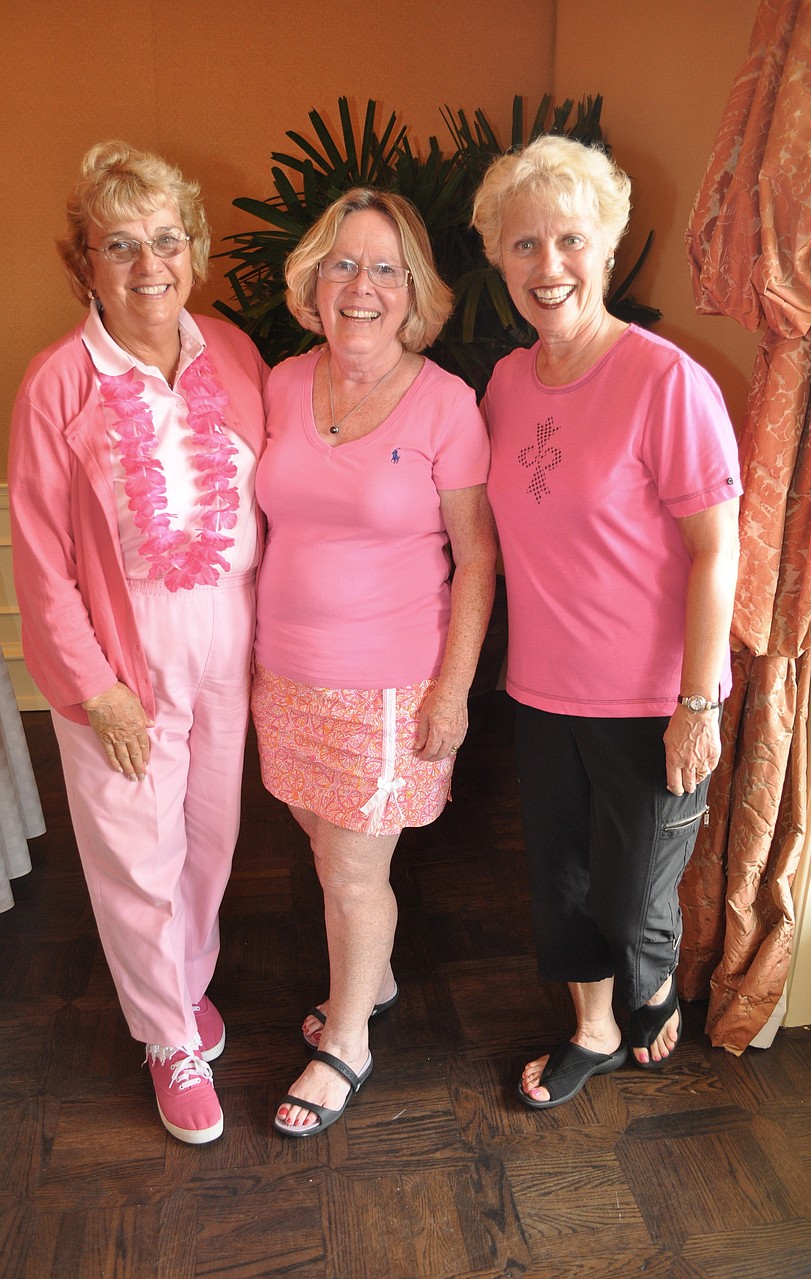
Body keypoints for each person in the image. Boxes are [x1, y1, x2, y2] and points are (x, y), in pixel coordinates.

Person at [471, 136, 741, 1108]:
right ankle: (590, 1025)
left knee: (633, 899)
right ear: (497, 258)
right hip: (540, 689)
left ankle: (654, 981)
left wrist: (698, 701)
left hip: (651, 695)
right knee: (562, 883)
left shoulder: (667, 382)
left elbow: (717, 550)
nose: (549, 267)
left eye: (571, 239)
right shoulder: (503, 384)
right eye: (524, 245)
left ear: (608, 244)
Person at [9, 141, 267, 1144]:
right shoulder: (57, 385)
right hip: (122, 657)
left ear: (194, 251)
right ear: (86, 266)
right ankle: (166, 1036)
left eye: (166, 239)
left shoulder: (232, 353)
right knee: (133, 852)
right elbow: (38, 556)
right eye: (121, 244)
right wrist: (96, 688)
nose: (148, 264)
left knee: (207, 838)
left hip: (229, 641)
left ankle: (181, 986)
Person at [251, 188, 497, 1137]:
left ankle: (347, 1038)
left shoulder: (447, 404)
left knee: (356, 870)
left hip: (390, 685)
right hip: (287, 673)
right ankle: (377, 976)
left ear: (415, 290)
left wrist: (454, 690)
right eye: (343, 264)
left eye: (385, 268)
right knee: (325, 845)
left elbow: (477, 555)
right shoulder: (279, 383)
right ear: (313, 280)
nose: (362, 286)